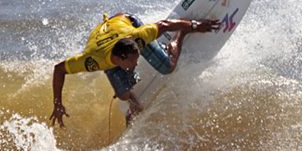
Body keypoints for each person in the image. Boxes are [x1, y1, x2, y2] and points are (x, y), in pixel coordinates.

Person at [50, 13, 219, 127]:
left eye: (137, 58)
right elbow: (59, 69)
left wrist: (195, 26)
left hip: (124, 21)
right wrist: (57, 104)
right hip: (101, 40)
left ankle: (181, 35)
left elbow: (165, 25)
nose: (137, 64)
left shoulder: (138, 36)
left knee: (168, 67)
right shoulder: (93, 61)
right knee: (123, 95)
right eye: (133, 61)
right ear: (118, 60)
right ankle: (133, 104)